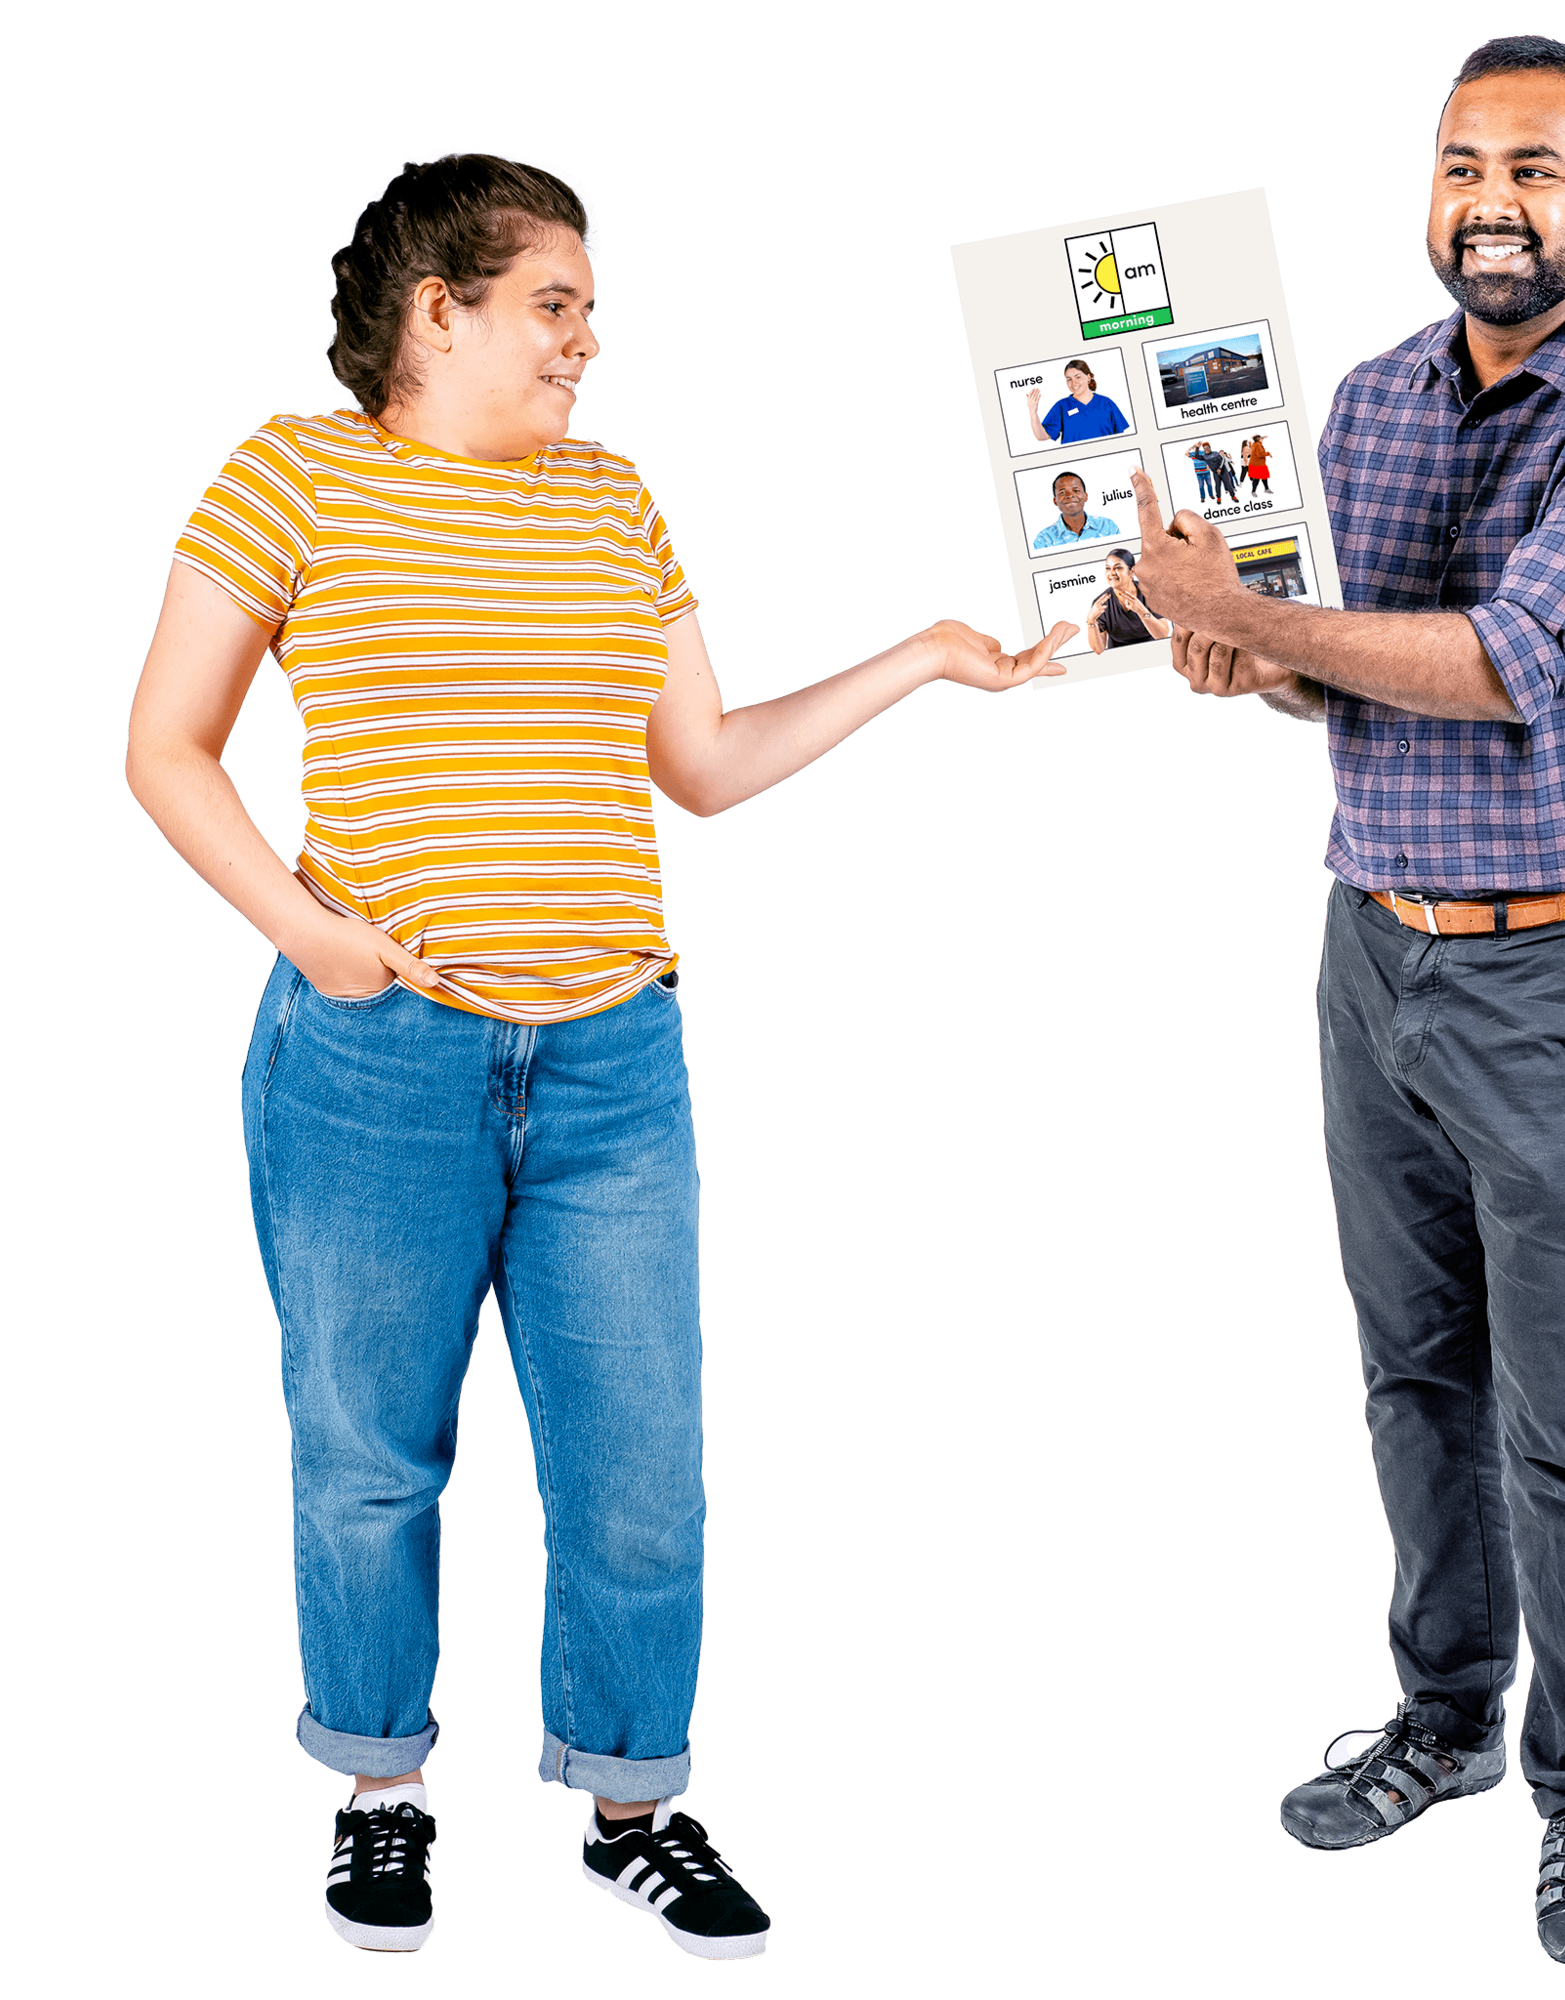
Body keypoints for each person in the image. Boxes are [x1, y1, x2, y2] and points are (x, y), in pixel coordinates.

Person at [121, 147, 1074, 1965]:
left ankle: (634, 1808)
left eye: (584, 302)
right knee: (371, 1455)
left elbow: (699, 768)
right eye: (553, 300)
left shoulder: (618, 501)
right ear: (440, 310)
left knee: (642, 1462)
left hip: (617, 1062)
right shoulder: (294, 476)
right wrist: (314, 937)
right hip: (376, 1053)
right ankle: (383, 1798)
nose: (586, 336)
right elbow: (170, 743)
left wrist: (923, 663)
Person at [1128, 36, 1565, 1972]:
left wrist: (1258, 622)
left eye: (1536, 171)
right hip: (1365, 946)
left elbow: (1509, 659)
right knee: (1410, 1376)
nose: (1492, 198)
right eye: (1462, 161)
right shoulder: (1375, 393)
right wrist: (1251, 673)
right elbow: (1347, 671)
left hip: (1562, 964)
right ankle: (1446, 1720)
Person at [1085, 548, 1173, 654]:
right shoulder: (1101, 603)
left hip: (1152, 652)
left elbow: (1162, 635)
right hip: (1121, 657)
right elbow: (1098, 650)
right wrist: (1091, 621)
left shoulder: (1150, 592)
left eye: (1118, 568)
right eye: (1108, 568)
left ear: (1131, 572)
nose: (1111, 573)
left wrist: (1142, 612)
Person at [1026, 358, 1129, 443]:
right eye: (1069, 379)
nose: (1073, 383)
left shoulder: (1106, 403)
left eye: (1078, 377)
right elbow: (1041, 436)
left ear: (1088, 377)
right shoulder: (1061, 406)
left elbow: (1120, 438)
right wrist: (1033, 412)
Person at [1031, 470, 1121, 549]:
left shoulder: (1108, 527)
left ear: (1085, 497)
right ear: (1055, 501)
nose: (1070, 495)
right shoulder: (1044, 539)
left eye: (1076, 490)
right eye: (1062, 492)